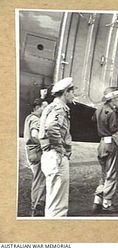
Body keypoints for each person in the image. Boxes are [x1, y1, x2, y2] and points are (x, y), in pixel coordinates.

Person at [39, 77, 74, 217]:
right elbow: (51, 127)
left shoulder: (51, 106)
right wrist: (60, 149)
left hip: (49, 155)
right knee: (58, 206)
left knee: (53, 200)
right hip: (55, 155)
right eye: (72, 92)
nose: (73, 96)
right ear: (66, 92)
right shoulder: (59, 108)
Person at [91, 87, 118, 214]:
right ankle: (107, 203)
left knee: (104, 174)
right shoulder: (112, 113)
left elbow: (94, 120)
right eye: (117, 98)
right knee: (112, 175)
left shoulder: (99, 109)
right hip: (111, 145)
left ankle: (97, 200)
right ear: (112, 99)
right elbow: (115, 134)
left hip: (102, 144)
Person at [23, 98, 48, 216]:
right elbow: (35, 135)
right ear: (37, 108)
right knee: (39, 180)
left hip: (31, 152)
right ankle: (37, 205)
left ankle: (37, 204)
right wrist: (46, 143)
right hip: (37, 153)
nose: (46, 109)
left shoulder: (29, 117)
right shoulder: (36, 119)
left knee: (37, 179)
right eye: (44, 107)